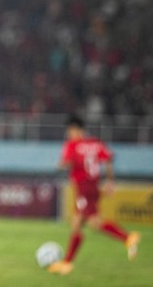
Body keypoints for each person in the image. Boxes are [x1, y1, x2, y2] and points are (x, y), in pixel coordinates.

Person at [47, 114, 141, 275]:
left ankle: (127, 237)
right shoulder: (96, 143)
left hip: (83, 187)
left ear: (74, 129)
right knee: (79, 222)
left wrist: (59, 165)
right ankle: (67, 263)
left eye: (69, 131)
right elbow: (109, 160)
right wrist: (110, 182)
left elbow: (65, 162)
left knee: (90, 223)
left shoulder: (73, 144)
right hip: (94, 186)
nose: (69, 134)